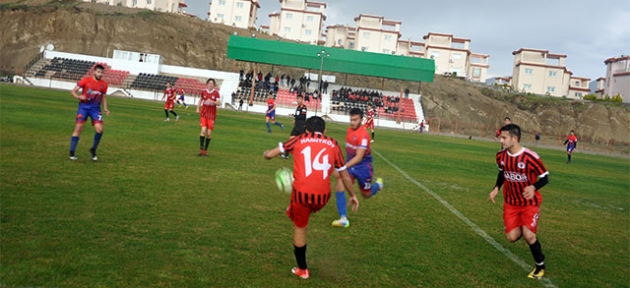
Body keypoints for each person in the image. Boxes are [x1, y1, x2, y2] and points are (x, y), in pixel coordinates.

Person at [263, 116, 359, 279]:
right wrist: (353, 195)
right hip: (322, 198)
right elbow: (344, 174)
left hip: (302, 196)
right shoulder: (334, 144)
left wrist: (267, 154)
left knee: (300, 227)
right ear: (325, 131)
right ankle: (301, 209)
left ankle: (302, 270)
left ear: (306, 130)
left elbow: (272, 153)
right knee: (308, 202)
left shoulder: (299, 139)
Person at [489, 124, 550, 280]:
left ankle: (540, 265)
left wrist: (534, 187)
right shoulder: (500, 156)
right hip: (510, 203)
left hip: (529, 203)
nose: (501, 140)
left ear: (514, 138)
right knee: (512, 237)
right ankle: (525, 228)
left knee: (529, 236)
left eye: (504, 137)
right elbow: (502, 172)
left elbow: (545, 177)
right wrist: (496, 187)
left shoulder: (531, 157)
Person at [332, 108, 384, 228]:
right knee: (340, 184)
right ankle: (343, 218)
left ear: (361, 120)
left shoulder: (364, 135)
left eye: (355, 120)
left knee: (366, 195)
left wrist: (342, 167)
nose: (352, 122)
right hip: (350, 165)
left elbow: (359, 157)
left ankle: (378, 186)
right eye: (351, 119)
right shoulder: (349, 131)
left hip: (363, 167)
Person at [69, 64, 109, 161]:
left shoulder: (104, 84)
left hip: (95, 109)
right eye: (98, 72)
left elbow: (103, 97)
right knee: (78, 129)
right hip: (83, 108)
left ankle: (93, 149)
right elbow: (73, 91)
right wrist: (78, 96)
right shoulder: (85, 81)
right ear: (94, 72)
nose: (100, 74)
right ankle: (72, 152)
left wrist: (105, 108)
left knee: (100, 129)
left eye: (102, 73)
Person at [196, 79, 220, 156]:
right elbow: (201, 100)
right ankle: (201, 149)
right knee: (203, 131)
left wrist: (212, 101)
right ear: (207, 84)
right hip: (204, 114)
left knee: (209, 134)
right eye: (209, 83)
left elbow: (219, 103)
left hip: (212, 115)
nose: (210, 84)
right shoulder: (203, 92)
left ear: (214, 85)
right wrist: (197, 108)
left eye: (212, 83)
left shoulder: (216, 93)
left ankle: (205, 150)